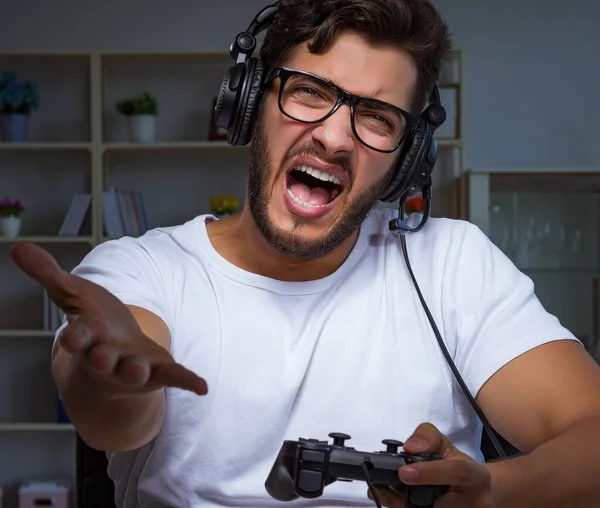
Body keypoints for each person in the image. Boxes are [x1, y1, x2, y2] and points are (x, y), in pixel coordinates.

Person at [10, 0, 600, 506]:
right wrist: (118, 377)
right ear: (247, 104)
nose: (336, 137)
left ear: (407, 159)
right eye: (310, 93)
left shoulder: (452, 264)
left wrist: (497, 490)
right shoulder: (141, 269)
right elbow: (111, 415)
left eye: (376, 117)